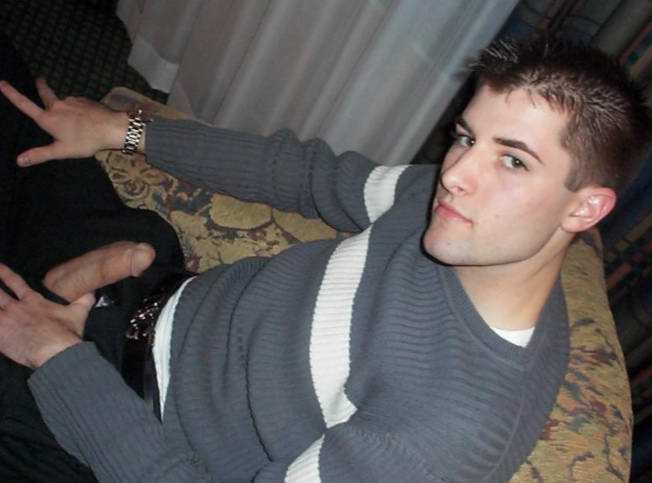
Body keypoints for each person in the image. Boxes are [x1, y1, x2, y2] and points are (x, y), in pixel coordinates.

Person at [0, 34, 649, 482]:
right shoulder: (448, 208)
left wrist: (58, 359)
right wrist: (124, 129)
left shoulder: (449, 431)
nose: (456, 174)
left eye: (513, 160)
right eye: (465, 137)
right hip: (152, 281)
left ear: (585, 209)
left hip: (121, 422)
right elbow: (306, 173)